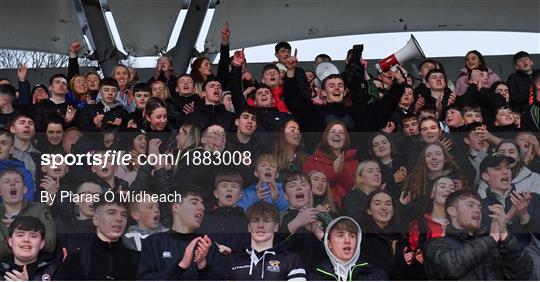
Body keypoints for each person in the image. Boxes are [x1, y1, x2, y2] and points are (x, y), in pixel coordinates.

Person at [424, 189, 532, 280]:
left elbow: (523, 275)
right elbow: (450, 267)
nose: (478, 210)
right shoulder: (434, 245)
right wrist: (492, 238)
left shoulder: (496, 246)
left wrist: (505, 237)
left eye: (480, 207)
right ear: (452, 211)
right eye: (470, 205)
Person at [137, 184, 224, 280]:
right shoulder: (153, 243)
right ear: (176, 208)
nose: (202, 208)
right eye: (194, 202)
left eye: (202, 203)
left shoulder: (208, 245)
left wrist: (203, 266)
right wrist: (180, 266)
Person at [55, 194, 139, 280]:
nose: (119, 218)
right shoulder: (77, 259)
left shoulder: (136, 259)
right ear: (96, 220)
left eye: (124, 215)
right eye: (111, 213)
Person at [225, 201, 307, 280]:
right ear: (249, 227)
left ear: (276, 227)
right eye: (255, 221)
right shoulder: (232, 260)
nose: (260, 225)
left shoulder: (291, 260)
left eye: (266, 221)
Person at [0, 168, 56, 258]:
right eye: (6, 182)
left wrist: (21, 228)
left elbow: (50, 243)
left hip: (36, 266)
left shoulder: (40, 208)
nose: (12, 184)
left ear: (25, 189)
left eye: (17, 181)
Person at [310, 216, 388, 281]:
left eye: (352, 236)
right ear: (329, 243)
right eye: (340, 235)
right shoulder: (316, 276)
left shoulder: (376, 275)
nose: (347, 241)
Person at [406, 175, 455, 279]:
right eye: (442, 186)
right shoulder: (418, 224)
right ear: (432, 193)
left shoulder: (460, 223)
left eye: (452, 188)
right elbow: (415, 259)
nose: (448, 190)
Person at [302, 121, 359, 208]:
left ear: (346, 139)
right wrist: (333, 171)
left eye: (341, 132)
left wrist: (341, 171)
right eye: (333, 132)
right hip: (319, 208)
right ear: (326, 137)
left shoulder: (354, 163)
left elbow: (355, 189)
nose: (337, 135)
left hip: (349, 209)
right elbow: (307, 187)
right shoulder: (311, 161)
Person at [360, 190, 412, 280]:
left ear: (393, 210)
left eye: (388, 204)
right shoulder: (362, 237)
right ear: (369, 211)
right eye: (377, 204)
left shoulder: (402, 235)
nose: (384, 208)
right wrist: (399, 262)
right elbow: (365, 269)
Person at [199, 169, 249, 254]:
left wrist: (232, 253)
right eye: (224, 186)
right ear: (216, 193)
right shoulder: (205, 219)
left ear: (240, 195)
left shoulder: (246, 220)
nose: (229, 189)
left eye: (234, 186)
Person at [0, 216, 58, 281]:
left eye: (33, 236)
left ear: (41, 243)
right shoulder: (1, 269)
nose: (26, 239)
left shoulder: (55, 270)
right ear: (10, 241)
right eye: (20, 235)